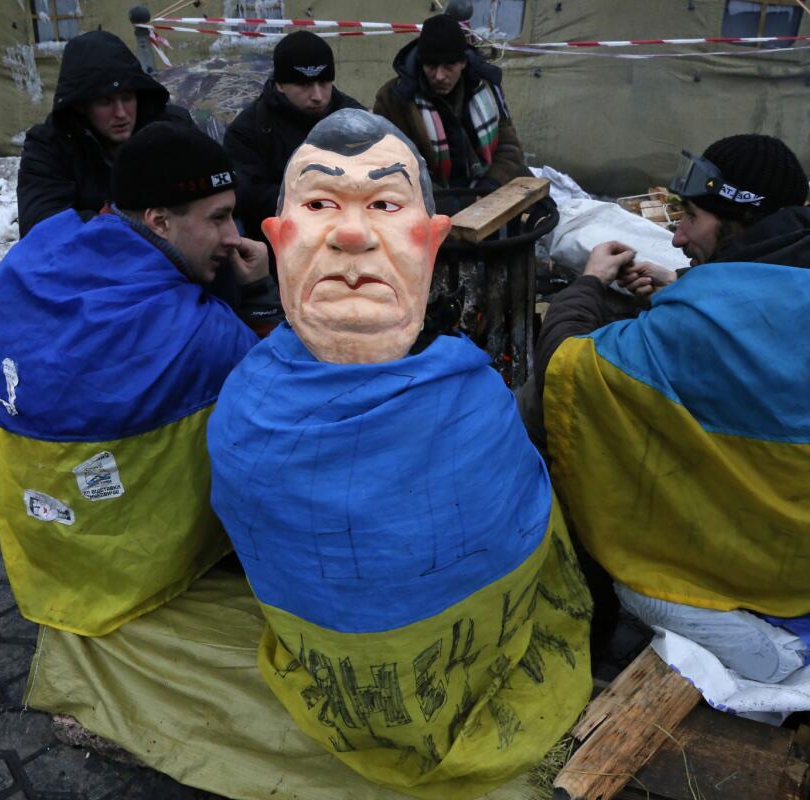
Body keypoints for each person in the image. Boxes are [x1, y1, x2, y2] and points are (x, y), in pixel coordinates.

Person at [207, 109, 592, 798]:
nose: (352, 236)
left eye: (386, 204)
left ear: (432, 240)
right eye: (320, 203)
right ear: (276, 237)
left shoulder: (472, 398)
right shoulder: (245, 411)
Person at [528, 134, 810, 683]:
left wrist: (590, 283)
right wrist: (687, 286)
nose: (678, 234)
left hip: (791, 569)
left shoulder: (700, 328)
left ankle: (636, 637)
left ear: (739, 221)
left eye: (692, 216)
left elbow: (565, 367)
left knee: (558, 435)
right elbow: (772, 317)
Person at [0, 123, 265, 637]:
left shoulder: (45, 248)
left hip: (42, 542)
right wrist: (259, 297)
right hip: (133, 571)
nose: (234, 235)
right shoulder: (198, 332)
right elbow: (280, 402)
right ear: (159, 221)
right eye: (218, 218)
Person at [17, 30, 194, 237]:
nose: (120, 113)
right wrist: (127, 220)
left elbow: (220, 190)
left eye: (127, 98)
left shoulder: (172, 128)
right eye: (105, 101)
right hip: (94, 261)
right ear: (81, 106)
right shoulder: (50, 144)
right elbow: (41, 225)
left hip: (176, 254)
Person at [373, 13, 537, 213]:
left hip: (484, 184)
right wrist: (451, 204)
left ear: (464, 62)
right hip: (431, 197)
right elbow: (394, 167)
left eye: (449, 66)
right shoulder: (394, 99)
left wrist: (491, 185)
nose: (440, 76)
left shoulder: (487, 88)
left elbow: (508, 145)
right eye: (431, 66)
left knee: (538, 209)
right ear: (420, 62)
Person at [222, 30, 364, 247]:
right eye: (304, 85)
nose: (317, 95)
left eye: (324, 82)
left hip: (354, 234)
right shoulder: (249, 129)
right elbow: (247, 195)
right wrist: (312, 198)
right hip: (281, 244)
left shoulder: (355, 117)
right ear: (280, 84)